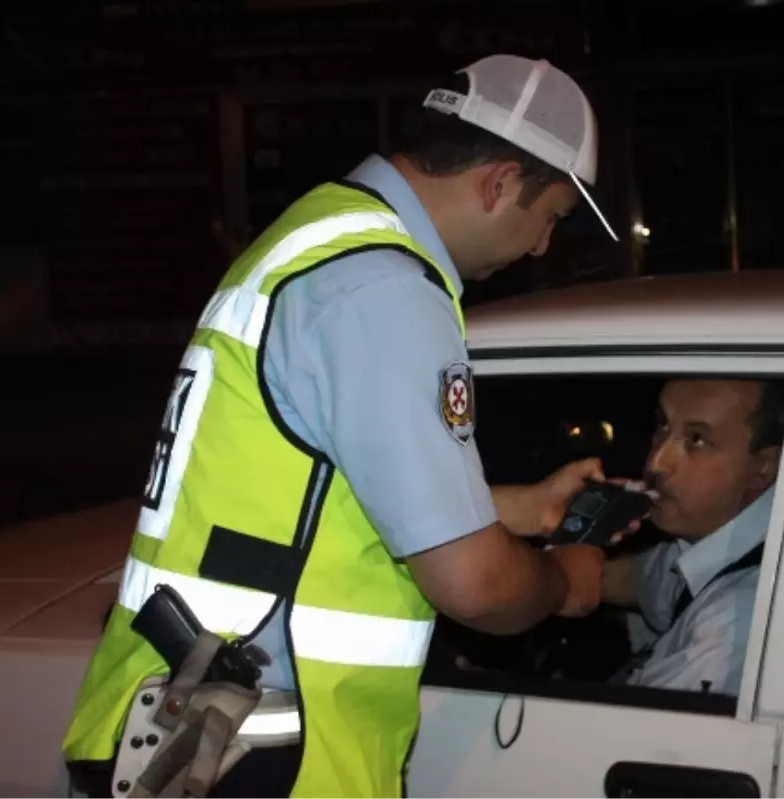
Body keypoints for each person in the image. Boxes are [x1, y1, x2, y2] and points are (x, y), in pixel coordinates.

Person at [62, 54, 624, 799]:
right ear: (498, 184)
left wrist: (516, 505)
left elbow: (318, 485)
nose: (543, 246)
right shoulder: (383, 288)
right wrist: (563, 584)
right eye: (549, 216)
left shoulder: (321, 235)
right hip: (250, 752)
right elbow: (478, 586)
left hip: (185, 729)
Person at [603, 378, 784, 695]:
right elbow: (621, 580)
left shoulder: (735, 626)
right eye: (663, 425)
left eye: (698, 440)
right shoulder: (714, 541)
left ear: (762, 467)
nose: (656, 462)